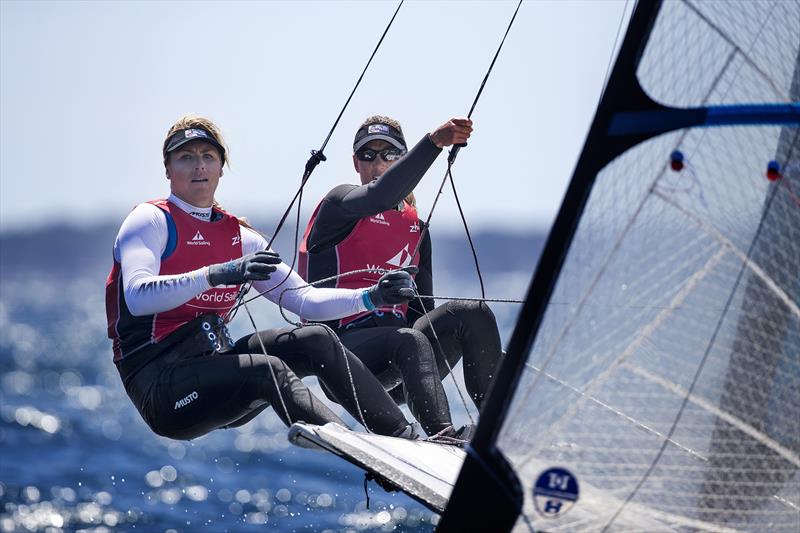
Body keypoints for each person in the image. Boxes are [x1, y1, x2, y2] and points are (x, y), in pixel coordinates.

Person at [105, 114, 447, 442]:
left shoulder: (242, 238)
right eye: (185, 157)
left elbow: (304, 299)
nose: (198, 166)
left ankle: (402, 435)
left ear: (221, 167)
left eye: (208, 156)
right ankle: (357, 447)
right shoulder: (150, 221)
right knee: (268, 369)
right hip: (162, 389)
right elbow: (138, 296)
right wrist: (218, 274)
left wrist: (371, 297)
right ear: (168, 169)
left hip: (215, 369)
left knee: (315, 337)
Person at [299, 116, 504, 432]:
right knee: (409, 340)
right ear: (356, 162)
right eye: (368, 154)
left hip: (401, 367)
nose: (378, 163)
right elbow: (379, 195)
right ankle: (442, 435)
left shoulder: (417, 229)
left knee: (472, 314)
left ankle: (496, 430)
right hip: (342, 362)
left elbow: (423, 315)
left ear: (402, 160)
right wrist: (434, 142)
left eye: (389, 155)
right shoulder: (338, 206)